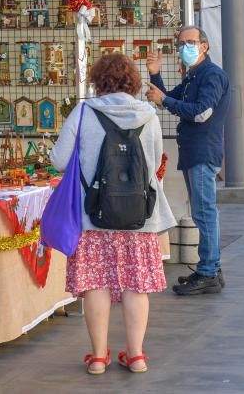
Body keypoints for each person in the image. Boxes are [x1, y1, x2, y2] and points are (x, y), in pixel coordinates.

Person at [50, 53, 175, 375]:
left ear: (98, 80)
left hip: (93, 216)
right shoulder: (148, 114)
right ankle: (136, 356)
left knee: (96, 284)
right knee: (137, 285)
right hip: (139, 217)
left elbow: (59, 160)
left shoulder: (84, 111)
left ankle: (98, 357)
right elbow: (155, 160)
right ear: (132, 81)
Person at [145, 25, 230, 295]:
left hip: (203, 151)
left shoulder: (212, 75)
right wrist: (155, 76)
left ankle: (208, 272)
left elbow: (201, 113)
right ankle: (210, 269)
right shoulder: (194, 75)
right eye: (181, 43)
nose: (185, 47)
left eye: (190, 42)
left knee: (204, 213)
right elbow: (170, 99)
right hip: (194, 150)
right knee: (202, 212)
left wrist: (164, 100)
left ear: (204, 45)